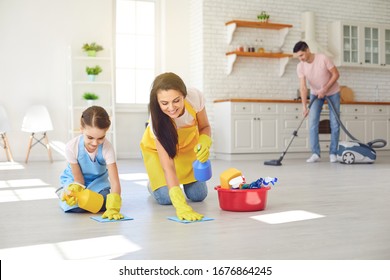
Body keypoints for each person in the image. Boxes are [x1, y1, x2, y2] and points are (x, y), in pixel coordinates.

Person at [140, 72, 212, 221]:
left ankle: (174, 183)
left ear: (184, 95)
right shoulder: (156, 122)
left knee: (199, 196)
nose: (171, 108)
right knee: (166, 198)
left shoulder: (195, 98)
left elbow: (204, 126)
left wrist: (204, 141)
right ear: (158, 102)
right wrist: (180, 205)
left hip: (186, 148)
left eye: (176, 100)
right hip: (159, 152)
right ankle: (153, 184)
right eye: (164, 103)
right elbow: (168, 167)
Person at [57, 106, 124, 220]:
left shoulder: (107, 149)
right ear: (81, 129)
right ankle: (63, 191)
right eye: (90, 137)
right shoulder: (71, 147)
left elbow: (115, 182)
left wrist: (113, 207)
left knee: (103, 201)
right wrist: (76, 192)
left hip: (98, 182)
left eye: (100, 138)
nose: (95, 143)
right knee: (74, 204)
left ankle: (85, 201)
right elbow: (79, 179)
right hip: (76, 181)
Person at [293, 41, 341, 163]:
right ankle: (315, 153)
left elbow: (336, 74)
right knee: (312, 123)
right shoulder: (301, 66)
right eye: (298, 56)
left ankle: (333, 153)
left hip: (333, 92)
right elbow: (303, 87)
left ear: (308, 50)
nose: (301, 59)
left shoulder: (323, 58)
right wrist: (304, 106)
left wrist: (325, 89)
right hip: (315, 94)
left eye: (302, 55)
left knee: (335, 124)